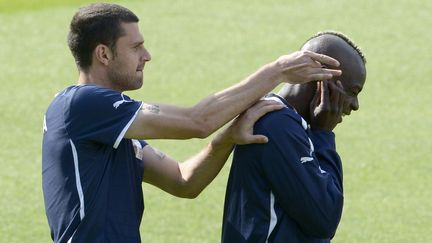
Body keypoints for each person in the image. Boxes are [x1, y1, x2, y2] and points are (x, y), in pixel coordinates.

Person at [41, 3, 342, 243]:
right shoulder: (81, 104)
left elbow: (184, 181)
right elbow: (196, 121)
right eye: (135, 47)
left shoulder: (113, 130)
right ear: (103, 54)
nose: (147, 56)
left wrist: (228, 138)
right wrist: (278, 71)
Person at [221, 31, 367, 243]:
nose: (355, 105)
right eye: (353, 91)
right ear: (323, 81)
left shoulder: (290, 123)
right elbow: (324, 219)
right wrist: (324, 135)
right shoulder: (275, 126)